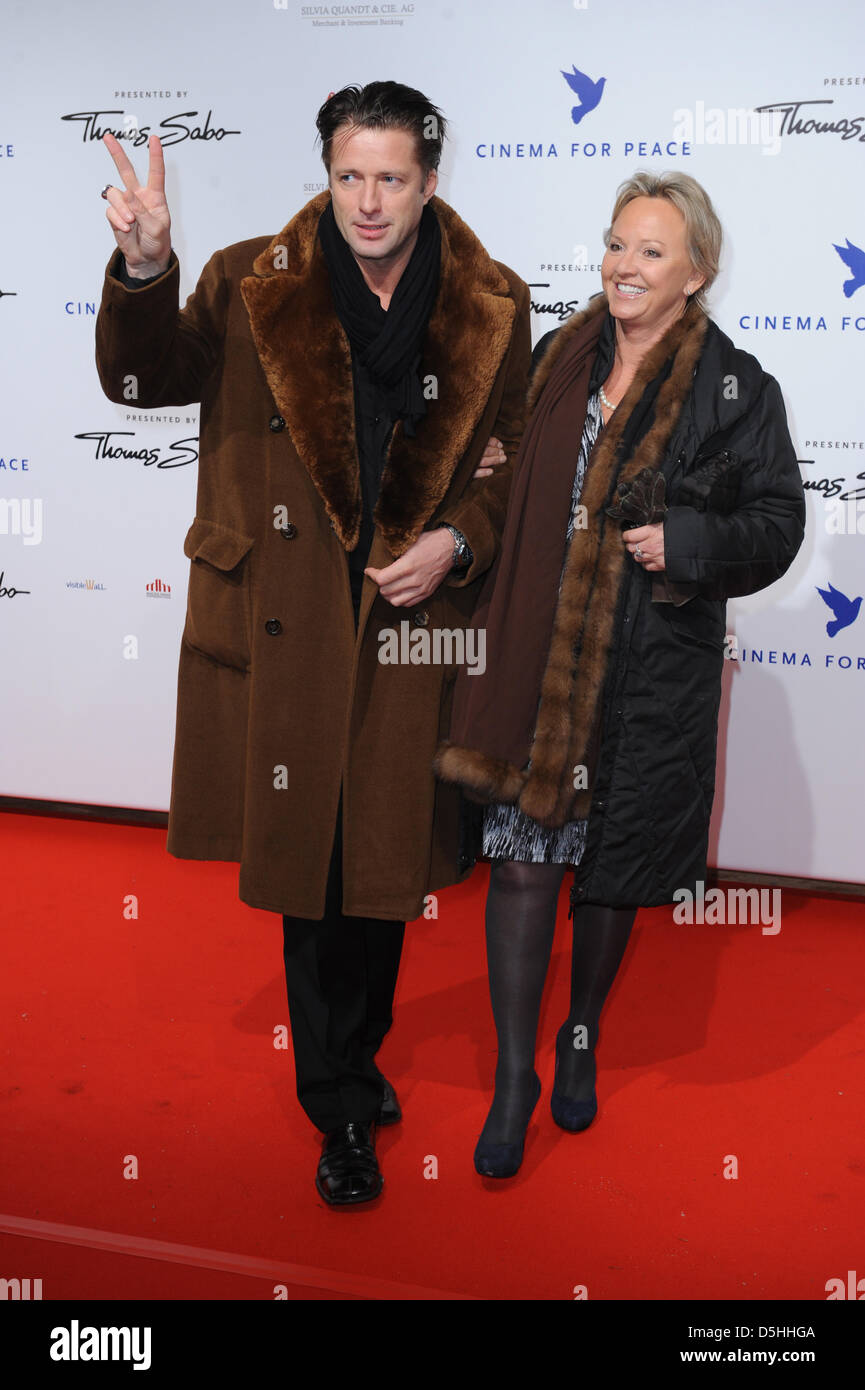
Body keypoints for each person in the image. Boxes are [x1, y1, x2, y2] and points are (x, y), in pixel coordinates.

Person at [94, 81, 531, 1204]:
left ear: (430, 178)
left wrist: (453, 544)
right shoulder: (250, 279)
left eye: (391, 176)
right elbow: (144, 381)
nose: (368, 201)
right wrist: (146, 269)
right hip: (287, 613)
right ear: (324, 172)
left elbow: (514, 472)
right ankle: (338, 1101)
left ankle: (354, 1052)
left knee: (379, 871)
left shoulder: (493, 304)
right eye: (349, 176)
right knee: (311, 871)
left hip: (405, 615)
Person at [434, 170, 806, 1179]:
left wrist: (685, 538)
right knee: (519, 862)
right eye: (614, 243)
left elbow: (776, 526)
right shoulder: (559, 353)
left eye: (649, 251)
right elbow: (506, 469)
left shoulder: (737, 387)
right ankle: (514, 1077)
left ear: (697, 272)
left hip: (643, 673)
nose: (623, 266)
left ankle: (578, 1037)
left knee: (608, 876)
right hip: (528, 657)